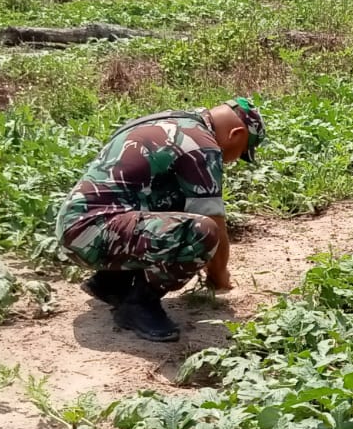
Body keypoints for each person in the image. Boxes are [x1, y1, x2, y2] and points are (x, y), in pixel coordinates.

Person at [56, 99, 265, 342]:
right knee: (203, 231)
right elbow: (213, 220)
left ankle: (111, 282)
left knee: (178, 200)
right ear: (236, 133)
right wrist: (220, 276)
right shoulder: (201, 144)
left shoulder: (170, 122)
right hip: (93, 233)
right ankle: (140, 304)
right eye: (240, 153)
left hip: (78, 226)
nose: (232, 161)